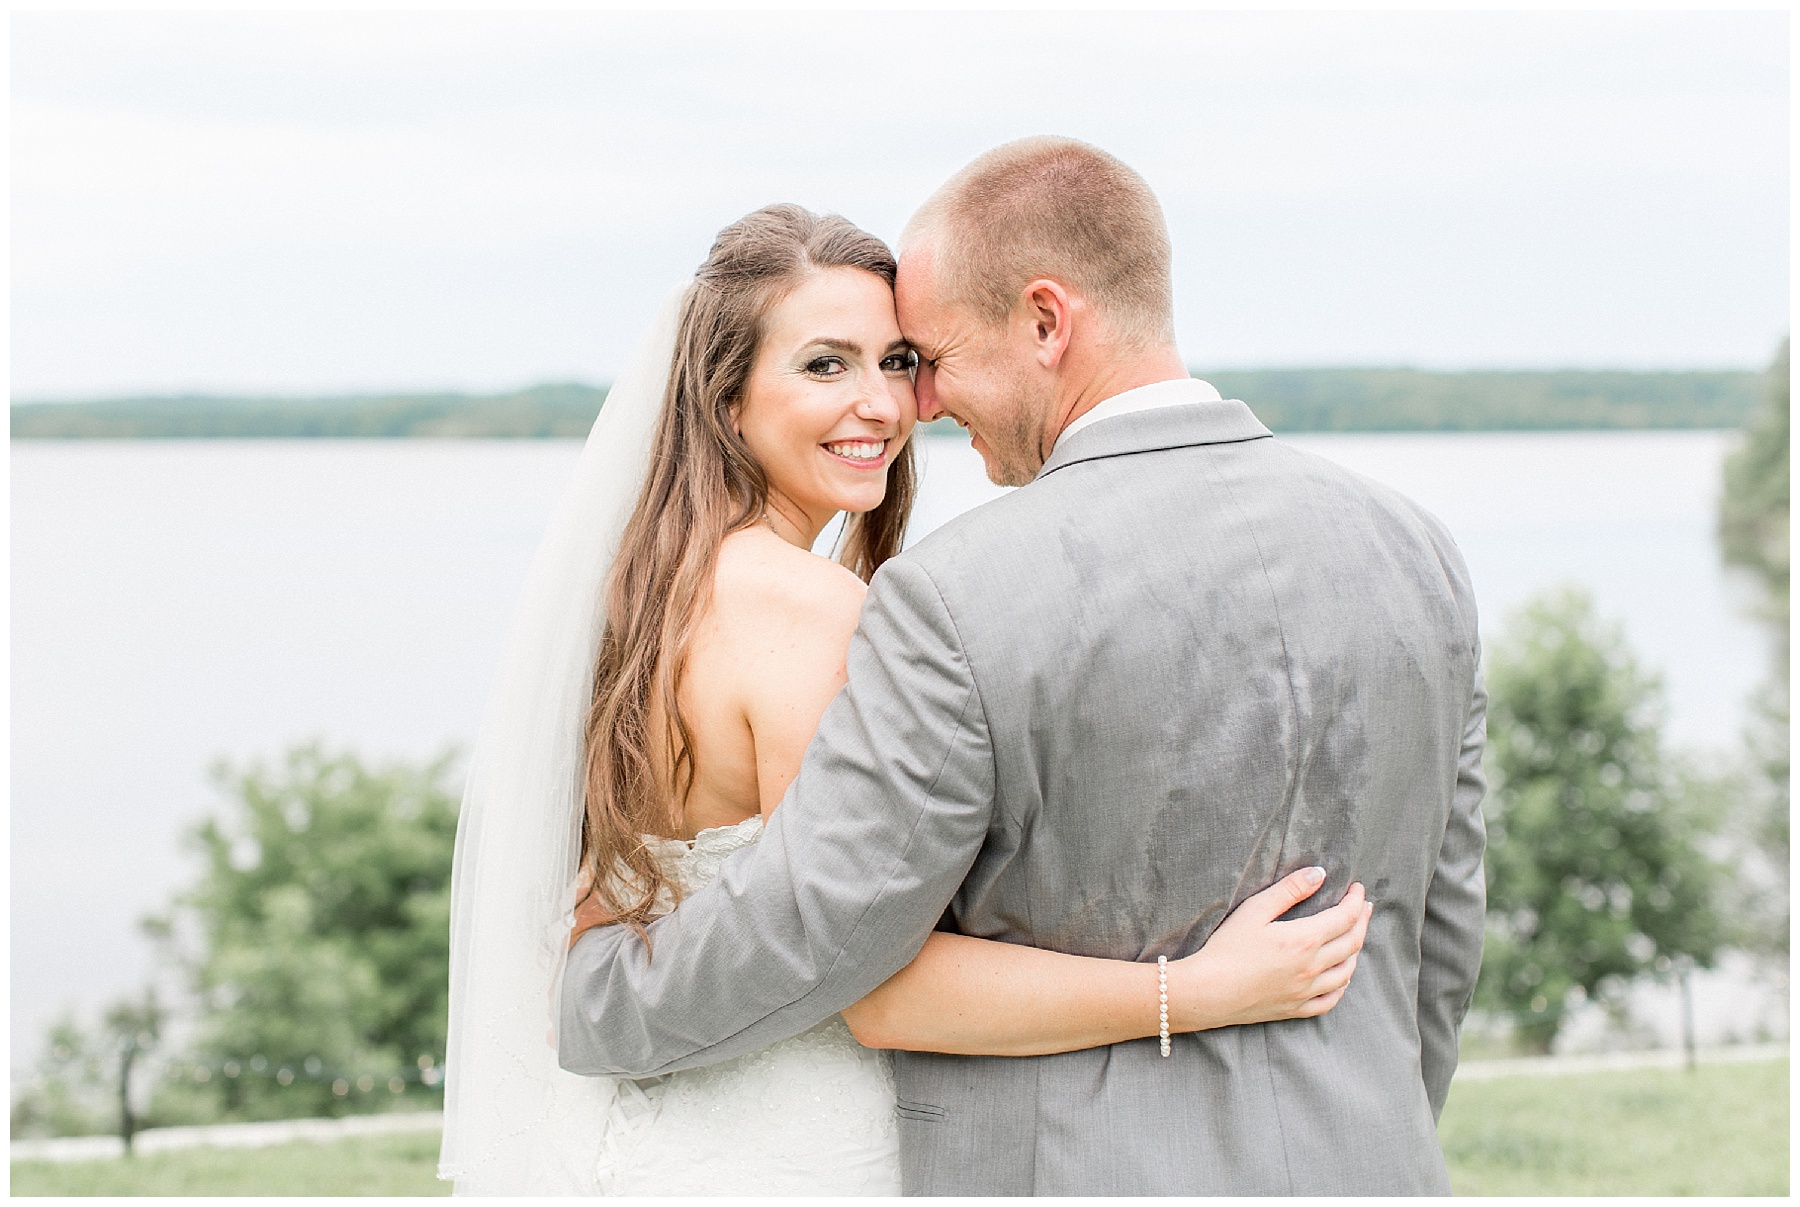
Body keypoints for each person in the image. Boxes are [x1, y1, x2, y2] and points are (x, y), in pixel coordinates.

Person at [556, 138, 1488, 1196]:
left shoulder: (949, 597)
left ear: (1046, 322)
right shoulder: (1417, 548)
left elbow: (827, 936)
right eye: (838, 363)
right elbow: (1441, 932)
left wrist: (601, 997)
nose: (922, 405)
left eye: (921, 357)